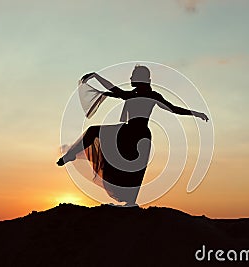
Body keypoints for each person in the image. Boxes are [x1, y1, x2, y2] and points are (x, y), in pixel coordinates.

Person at [57, 65, 209, 206]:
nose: (130, 79)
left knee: (133, 168)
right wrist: (97, 77)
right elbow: (114, 89)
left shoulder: (149, 95)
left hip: (136, 134)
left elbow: (173, 108)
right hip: (133, 132)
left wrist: (194, 113)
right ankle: (71, 155)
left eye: (133, 76)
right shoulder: (134, 94)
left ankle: (130, 201)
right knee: (121, 160)